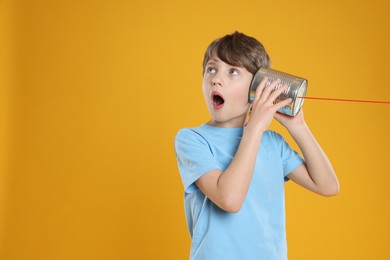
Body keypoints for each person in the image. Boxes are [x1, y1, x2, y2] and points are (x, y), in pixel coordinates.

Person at [174, 31, 339, 260]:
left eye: (233, 71)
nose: (216, 78)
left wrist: (298, 126)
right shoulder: (192, 139)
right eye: (211, 69)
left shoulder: (272, 143)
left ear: (259, 87)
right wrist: (254, 128)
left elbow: (328, 186)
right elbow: (229, 199)